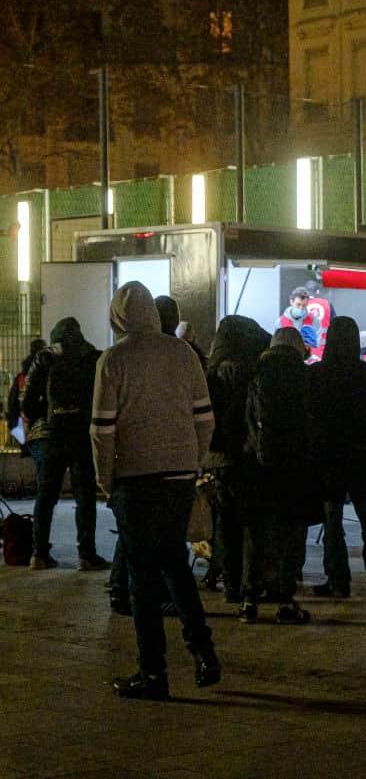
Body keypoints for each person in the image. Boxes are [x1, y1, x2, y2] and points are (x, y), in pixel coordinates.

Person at [91, 281, 220, 700]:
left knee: (141, 578)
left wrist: (104, 479)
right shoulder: (183, 354)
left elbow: (102, 430)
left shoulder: (114, 359)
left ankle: (153, 672)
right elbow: (205, 418)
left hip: (134, 478)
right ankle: (203, 652)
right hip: (179, 477)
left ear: (118, 316)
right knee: (176, 567)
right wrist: (194, 460)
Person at [307, 316, 366, 598]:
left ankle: (337, 580)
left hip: (329, 454)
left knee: (332, 522)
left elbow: (312, 414)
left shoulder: (317, 373)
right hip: (360, 453)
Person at [237, 327, 315, 625]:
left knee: (255, 533)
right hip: (295, 468)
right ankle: (284, 598)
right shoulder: (305, 375)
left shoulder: (256, 370)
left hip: (258, 466)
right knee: (291, 534)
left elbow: (246, 418)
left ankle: (249, 599)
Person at [21, 319, 108, 571]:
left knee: (45, 496)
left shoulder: (44, 358)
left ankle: (39, 555)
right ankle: (87, 554)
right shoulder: (93, 357)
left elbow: (27, 403)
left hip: (51, 435)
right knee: (85, 495)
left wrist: (45, 416)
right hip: (81, 434)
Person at [202, 315, 271, 601]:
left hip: (219, 459)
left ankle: (230, 584)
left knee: (225, 523)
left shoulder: (210, 374)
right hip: (248, 456)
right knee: (252, 524)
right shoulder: (254, 371)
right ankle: (250, 584)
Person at [6, 338, 47, 454]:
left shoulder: (22, 376)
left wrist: (13, 422)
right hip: (44, 428)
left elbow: (13, 403)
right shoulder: (48, 372)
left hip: (24, 426)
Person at [276, 286, 321, 351]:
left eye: (304, 305)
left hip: (308, 359)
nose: (301, 308)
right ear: (291, 302)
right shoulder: (280, 322)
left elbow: (317, 345)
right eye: (298, 304)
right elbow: (276, 346)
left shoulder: (314, 321)